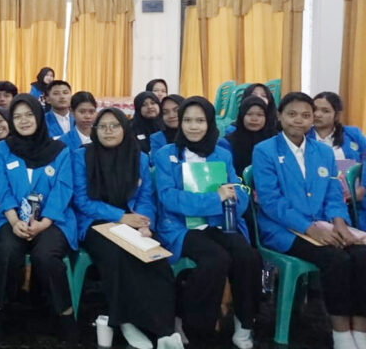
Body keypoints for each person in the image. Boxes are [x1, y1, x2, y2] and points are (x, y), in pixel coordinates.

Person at [253, 92, 366, 349]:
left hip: (325, 224)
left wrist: (340, 223)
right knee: (336, 260)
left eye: (306, 115)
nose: (299, 120)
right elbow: (271, 201)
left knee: (362, 256)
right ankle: (340, 333)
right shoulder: (265, 151)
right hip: (282, 228)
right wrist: (309, 228)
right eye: (292, 114)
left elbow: (334, 193)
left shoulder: (323, 151)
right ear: (279, 116)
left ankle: (360, 330)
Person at [72, 108, 183, 349]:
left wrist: (144, 223)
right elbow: (82, 201)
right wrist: (120, 217)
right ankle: (125, 320)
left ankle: (164, 329)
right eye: (102, 126)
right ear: (95, 131)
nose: (108, 131)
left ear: (124, 128)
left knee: (156, 260)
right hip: (96, 222)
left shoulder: (138, 157)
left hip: (132, 221)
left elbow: (145, 197)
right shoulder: (82, 156)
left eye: (114, 125)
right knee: (117, 255)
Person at [153, 97, 259, 348]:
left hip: (219, 222)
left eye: (200, 120)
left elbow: (237, 191)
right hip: (181, 226)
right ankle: (193, 324)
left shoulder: (222, 154)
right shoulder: (166, 154)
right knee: (215, 259)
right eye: (187, 120)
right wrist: (215, 199)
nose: (193, 126)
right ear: (180, 123)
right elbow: (169, 198)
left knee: (248, 256)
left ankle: (244, 322)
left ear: (210, 123)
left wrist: (235, 198)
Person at [0, 94, 77, 341]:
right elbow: (0, 187)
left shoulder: (60, 150)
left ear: (39, 116)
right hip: (10, 216)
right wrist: (14, 220)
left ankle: (64, 313)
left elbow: (63, 189)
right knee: (6, 251)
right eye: (17, 116)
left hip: (52, 219)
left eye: (29, 115)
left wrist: (44, 222)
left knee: (46, 256)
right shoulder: (2, 149)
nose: (24, 121)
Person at [220, 96, 276, 176]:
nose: (254, 119)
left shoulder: (274, 140)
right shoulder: (228, 143)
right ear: (241, 116)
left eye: (260, 115)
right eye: (249, 114)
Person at [311, 92, 366, 164]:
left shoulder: (353, 133)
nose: (317, 114)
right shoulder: (304, 136)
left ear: (337, 115)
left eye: (325, 111)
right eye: (314, 109)